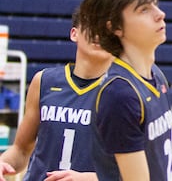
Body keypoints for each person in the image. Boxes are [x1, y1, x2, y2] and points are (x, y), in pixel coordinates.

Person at [0, 10, 113, 181]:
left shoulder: (121, 92)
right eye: (93, 25)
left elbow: (136, 174)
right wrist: (2, 163)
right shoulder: (44, 81)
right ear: (74, 33)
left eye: (107, 30)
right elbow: (21, 150)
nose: (99, 34)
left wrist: (88, 179)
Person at [82, 0, 172, 180]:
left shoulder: (155, 74)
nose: (160, 15)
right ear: (115, 27)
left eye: (155, 6)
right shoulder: (120, 94)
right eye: (144, 10)